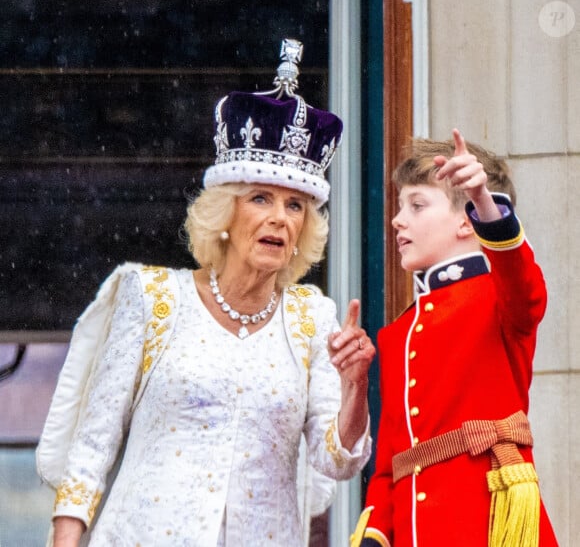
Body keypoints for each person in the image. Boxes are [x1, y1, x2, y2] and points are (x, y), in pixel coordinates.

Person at [37, 39, 375, 547]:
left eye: (295, 206)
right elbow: (92, 447)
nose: (280, 219)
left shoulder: (313, 317)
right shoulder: (152, 297)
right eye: (261, 198)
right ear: (226, 213)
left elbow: (336, 460)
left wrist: (355, 389)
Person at [351, 130, 559, 547]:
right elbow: (393, 465)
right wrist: (374, 536)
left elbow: (524, 285)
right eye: (400, 205)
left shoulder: (501, 298)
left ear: (467, 221)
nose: (398, 219)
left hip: (488, 527)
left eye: (417, 205)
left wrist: (484, 200)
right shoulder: (397, 334)